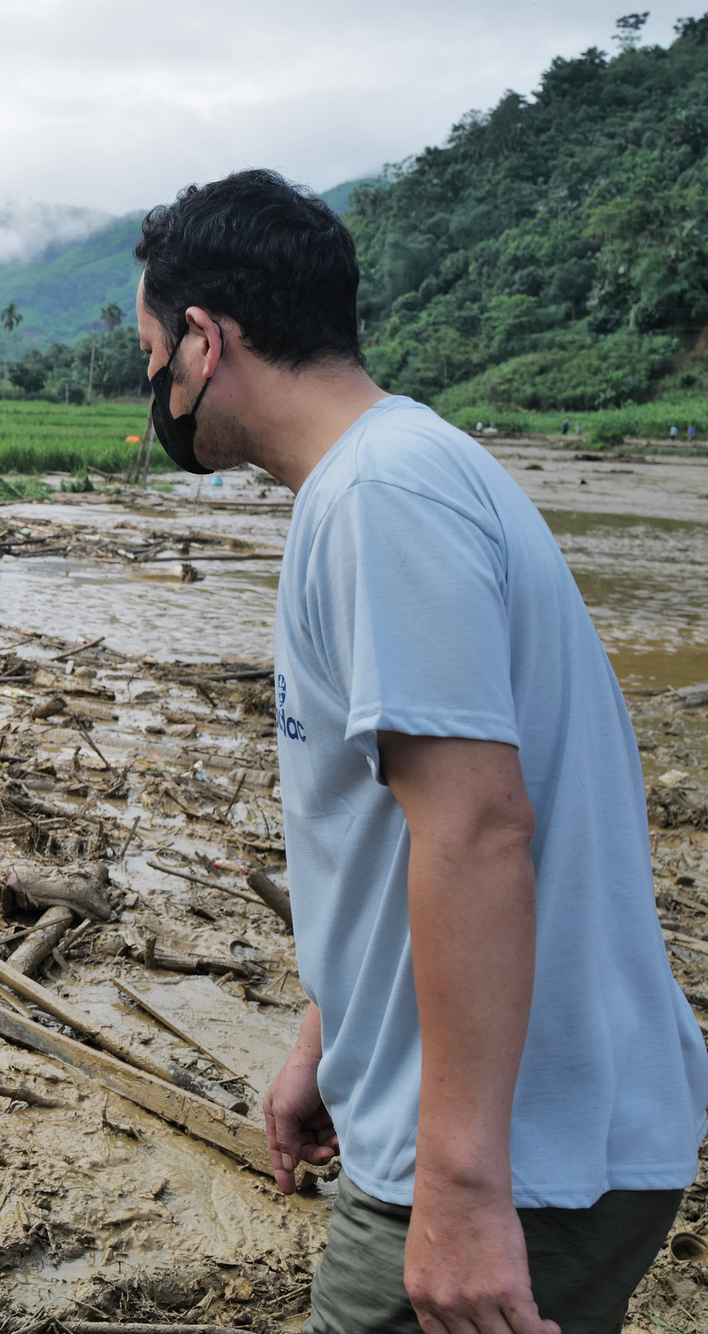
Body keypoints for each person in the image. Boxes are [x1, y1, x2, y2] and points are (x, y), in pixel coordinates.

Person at [132, 170, 708, 1334]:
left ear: (202, 340)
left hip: (520, 1156)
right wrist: (326, 1042)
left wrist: (456, 1188)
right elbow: (398, 820)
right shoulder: (395, 472)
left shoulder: (379, 498)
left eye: (150, 352)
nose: (151, 386)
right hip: (513, 1131)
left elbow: (477, 828)